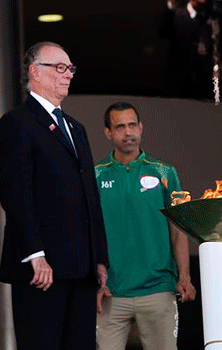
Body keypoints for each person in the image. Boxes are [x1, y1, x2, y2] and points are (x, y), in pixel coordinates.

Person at [0, 41, 109, 350]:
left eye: (70, 69)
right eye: (60, 68)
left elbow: (91, 199)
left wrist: (99, 259)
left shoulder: (77, 128)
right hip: (42, 269)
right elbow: (15, 193)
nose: (68, 75)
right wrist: (35, 254)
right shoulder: (17, 123)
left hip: (82, 268)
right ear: (35, 72)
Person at [95, 102, 196, 350]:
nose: (128, 132)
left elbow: (178, 228)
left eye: (132, 125)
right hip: (111, 293)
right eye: (120, 127)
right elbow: (87, 231)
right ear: (108, 132)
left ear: (141, 127)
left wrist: (184, 275)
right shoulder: (94, 176)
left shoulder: (165, 172)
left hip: (158, 288)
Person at [158, 0, 222, 100]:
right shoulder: (176, 15)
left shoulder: (216, 16)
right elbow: (162, 31)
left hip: (210, 84)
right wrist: (171, 5)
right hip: (180, 84)